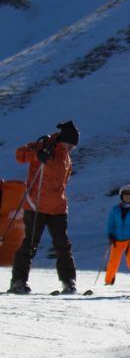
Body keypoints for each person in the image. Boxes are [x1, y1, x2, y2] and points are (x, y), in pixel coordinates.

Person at [9, 121, 80, 294]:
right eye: (68, 145)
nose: (70, 148)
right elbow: (19, 155)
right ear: (62, 140)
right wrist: (36, 155)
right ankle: (18, 282)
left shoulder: (67, 157)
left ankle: (69, 282)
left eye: (73, 146)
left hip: (58, 207)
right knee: (30, 244)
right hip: (36, 205)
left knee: (63, 245)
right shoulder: (43, 145)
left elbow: (64, 182)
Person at [104, 184, 130, 286]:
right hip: (117, 240)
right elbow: (111, 223)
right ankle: (108, 281)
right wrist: (110, 234)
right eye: (125, 194)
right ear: (121, 196)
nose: (127, 196)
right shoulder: (115, 209)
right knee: (113, 261)